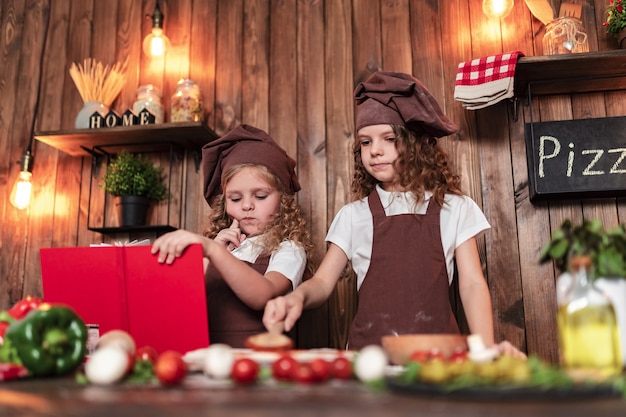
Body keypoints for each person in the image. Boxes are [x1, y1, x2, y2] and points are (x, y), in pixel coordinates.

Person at [263, 71, 524, 357]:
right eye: (365, 142)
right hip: (369, 360)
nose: (375, 151)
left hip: (438, 360)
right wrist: (297, 297)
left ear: (415, 143)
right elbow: (324, 283)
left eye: (388, 138)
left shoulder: (456, 209)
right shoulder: (353, 216)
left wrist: (486, 349)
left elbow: (473, 284)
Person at [152, 124, 313, 348]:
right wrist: (207, 258)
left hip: (256, 362)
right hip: (205, 357)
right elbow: (180, 301)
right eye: (236, 199)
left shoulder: (288, 249)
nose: (247, 206)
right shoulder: (220, 246)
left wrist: (214, 252)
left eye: (260, 196)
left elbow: (262, 295)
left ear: (283, 200)